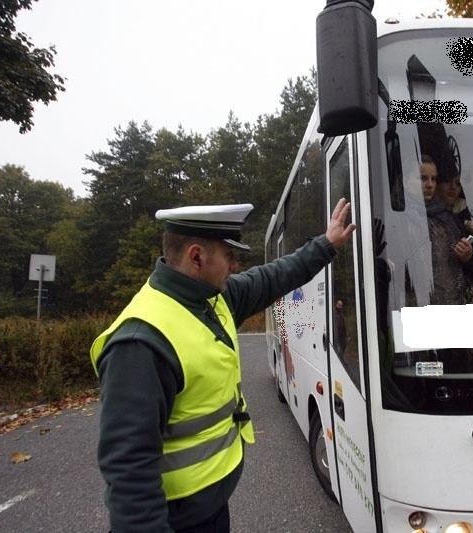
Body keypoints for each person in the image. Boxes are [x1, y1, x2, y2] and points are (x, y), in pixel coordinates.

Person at [90, 199, 355, 532]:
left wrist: (326, 244)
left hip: (211, 506)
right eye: (229, 256)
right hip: (178, 521)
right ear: (197, 256)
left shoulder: (211, 298)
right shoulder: (141, 343)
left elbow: (273, 277)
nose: (234, 266)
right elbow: (128, 471)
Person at [420, 155, 473, 305]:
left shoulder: (448, 218)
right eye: (423, 178)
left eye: (434, 179)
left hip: (454, 309)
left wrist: (466, 256)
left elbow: (466, 270)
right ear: (406, 180)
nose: (430, 184)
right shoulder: (396, 217)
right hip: (417, 312)